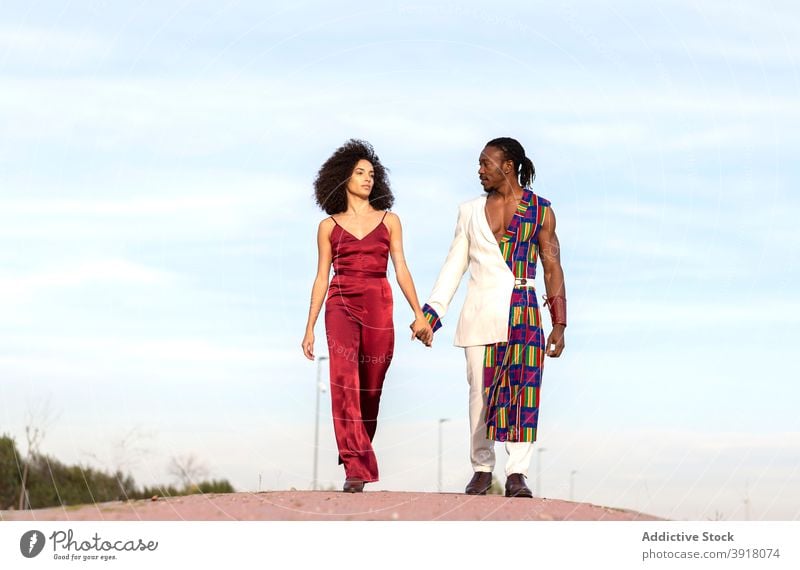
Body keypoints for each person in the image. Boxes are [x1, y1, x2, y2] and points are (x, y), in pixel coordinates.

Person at [414, 137, 567, 498]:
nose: (479, 170)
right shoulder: (469, 212)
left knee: (525, 390)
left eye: (486, 163)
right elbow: (454, 265)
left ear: (508, 165)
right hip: (480, 311)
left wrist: (559, 321)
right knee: (480, 394)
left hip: (524, 307)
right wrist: (431, 314)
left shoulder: (541, 210)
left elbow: (552, 264)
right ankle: (482, 468)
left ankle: (517, 474)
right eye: (479, 164)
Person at [302, 139, 432, 493]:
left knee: (371, 386)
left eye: (372, 174)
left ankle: (354, 448)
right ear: (342, 178)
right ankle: (356, 467)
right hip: (340, 302)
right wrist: (309, 326)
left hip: (378, 300)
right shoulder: (328, 227)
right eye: (359, 173)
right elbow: (321, 276)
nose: (367, 179)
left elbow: (401, 268)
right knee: (344, 383)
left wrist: (419, 315)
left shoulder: (390, 221)